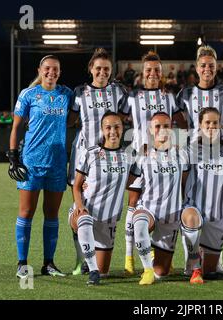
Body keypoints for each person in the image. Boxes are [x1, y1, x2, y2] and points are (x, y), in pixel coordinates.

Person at [120, 51, 186, 276]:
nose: (153, 73)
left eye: (157, 70)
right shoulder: (132, 97)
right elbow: (117, 121)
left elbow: (180, 122)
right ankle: (129, 257)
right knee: (134, 203)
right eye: (149, 70)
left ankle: (158, 252)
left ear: (162, 73)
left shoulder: (169, 97)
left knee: (162, 203)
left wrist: (178, 144)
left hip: (164, 158)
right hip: (139, 156)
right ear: (142, 72)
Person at [8, 55, 73, 279]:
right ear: (40, 70)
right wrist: (13, 156)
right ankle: (22, 264)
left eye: (55, 69)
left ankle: (48, 263)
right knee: (26, 212)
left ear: (59, 72)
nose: (51, 72)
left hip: (57, 163)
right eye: (47, 68)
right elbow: (16, 127)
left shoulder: (66, 94)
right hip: (32, 162)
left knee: (52, 214)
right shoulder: (28, 95)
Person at [176, 45, 223, 274]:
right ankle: (190, 259)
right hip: (195, 154)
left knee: (215, 201)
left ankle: (216, 256)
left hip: (218, 153)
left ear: (216, 67)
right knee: (194, 199)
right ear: (196, 67)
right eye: (203, 65)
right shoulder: (185, 93)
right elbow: (179, 121)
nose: (207, 69)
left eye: (211, 65)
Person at [66, 48, 128, 276]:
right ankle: (80, 258)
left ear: (111, 71)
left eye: (107, 69)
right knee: (80, 204)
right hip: (85, 158)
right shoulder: (80, 92)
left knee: (103, 207)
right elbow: (71, 119)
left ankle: (97, 253)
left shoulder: (118, 92)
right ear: (91, 68)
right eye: (98, 68)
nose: (102, 72)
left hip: (110, 159)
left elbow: (126, 118)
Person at [69, 112, 133, 285]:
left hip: (108, 219)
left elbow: (134, 182)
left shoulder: (129, 156)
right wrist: (79, 205)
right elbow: (76, 185)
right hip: (86, 209)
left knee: (106, 271)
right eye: (108, 127)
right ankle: (92, 269)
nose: (113, 131)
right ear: (102, 130)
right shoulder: (90, 153)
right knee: (84, 220)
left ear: (122, 128)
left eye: (117, 127)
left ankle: (92, 261)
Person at [182, 108, 223, 284]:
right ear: (200, 125)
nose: (211, 126)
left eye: (215, 123)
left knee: (211, 272)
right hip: (194, 209)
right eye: (207, 123)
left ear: (220, 125)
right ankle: (194, 266)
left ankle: (201, 264)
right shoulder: (191, 149)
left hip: (218, 214)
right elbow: (182, 177)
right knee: (191, 218)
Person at [131, 112, 190, 285]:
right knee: (140, 223)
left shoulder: (181, 155)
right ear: (150, 130)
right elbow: (128, 183)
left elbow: (186, 184)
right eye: (158, 126)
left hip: (171, 215)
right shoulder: (142, 154)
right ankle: (147, 270)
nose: (162, 130)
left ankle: (155, 256)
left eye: (166, 126)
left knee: (162, 272)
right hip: (148, 209)